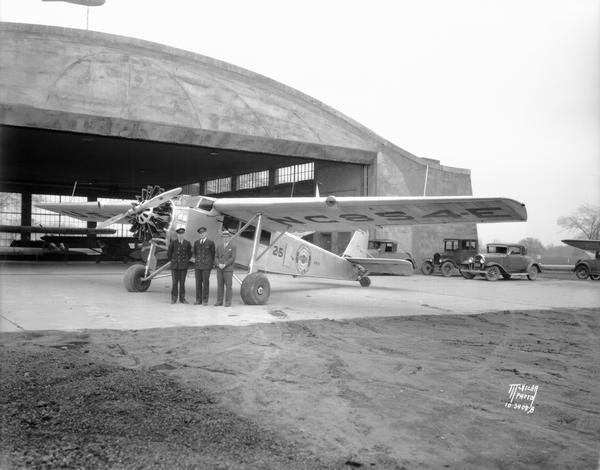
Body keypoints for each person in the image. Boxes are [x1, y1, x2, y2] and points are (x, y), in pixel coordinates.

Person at [167, 226, 192, 304]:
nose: (180, 235)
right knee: (174, 283)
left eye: (182, 234)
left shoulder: (187, 243)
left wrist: (185, 261)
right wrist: (173, 260)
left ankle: (182, 299)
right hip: (175, 266)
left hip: (183, 266)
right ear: (177, 235)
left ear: (184, 234)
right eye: (179, 234)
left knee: (182, 283)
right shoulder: (173, 243)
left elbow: (189, 254)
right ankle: (174, 298)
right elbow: (169, 254)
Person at [193, 226, 215, 306]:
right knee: (198, 283)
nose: (202, 234)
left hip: (206, 266)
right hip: (198, 266)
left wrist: (210, 264)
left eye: (203, 233)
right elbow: (195, 253)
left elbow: (212, 254)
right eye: (200, 233)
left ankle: (205, 300)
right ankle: (198, 300)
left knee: (205, 283)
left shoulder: (210, 242)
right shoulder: (196, 242)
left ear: (206, 233)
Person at [214, 229, 237, 307]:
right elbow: (215, 256)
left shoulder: (233, 246)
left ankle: (228, 302)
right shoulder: (219, 246)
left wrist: (225, 264)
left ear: (229, 237)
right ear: (222, 238)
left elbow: (232, 258)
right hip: (219, 269)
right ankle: (219, 301)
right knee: (220, 285)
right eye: (224, 237)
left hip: (228, 269)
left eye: (227, 237)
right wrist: (218, 264)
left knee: (228, 286)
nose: (225, 238)